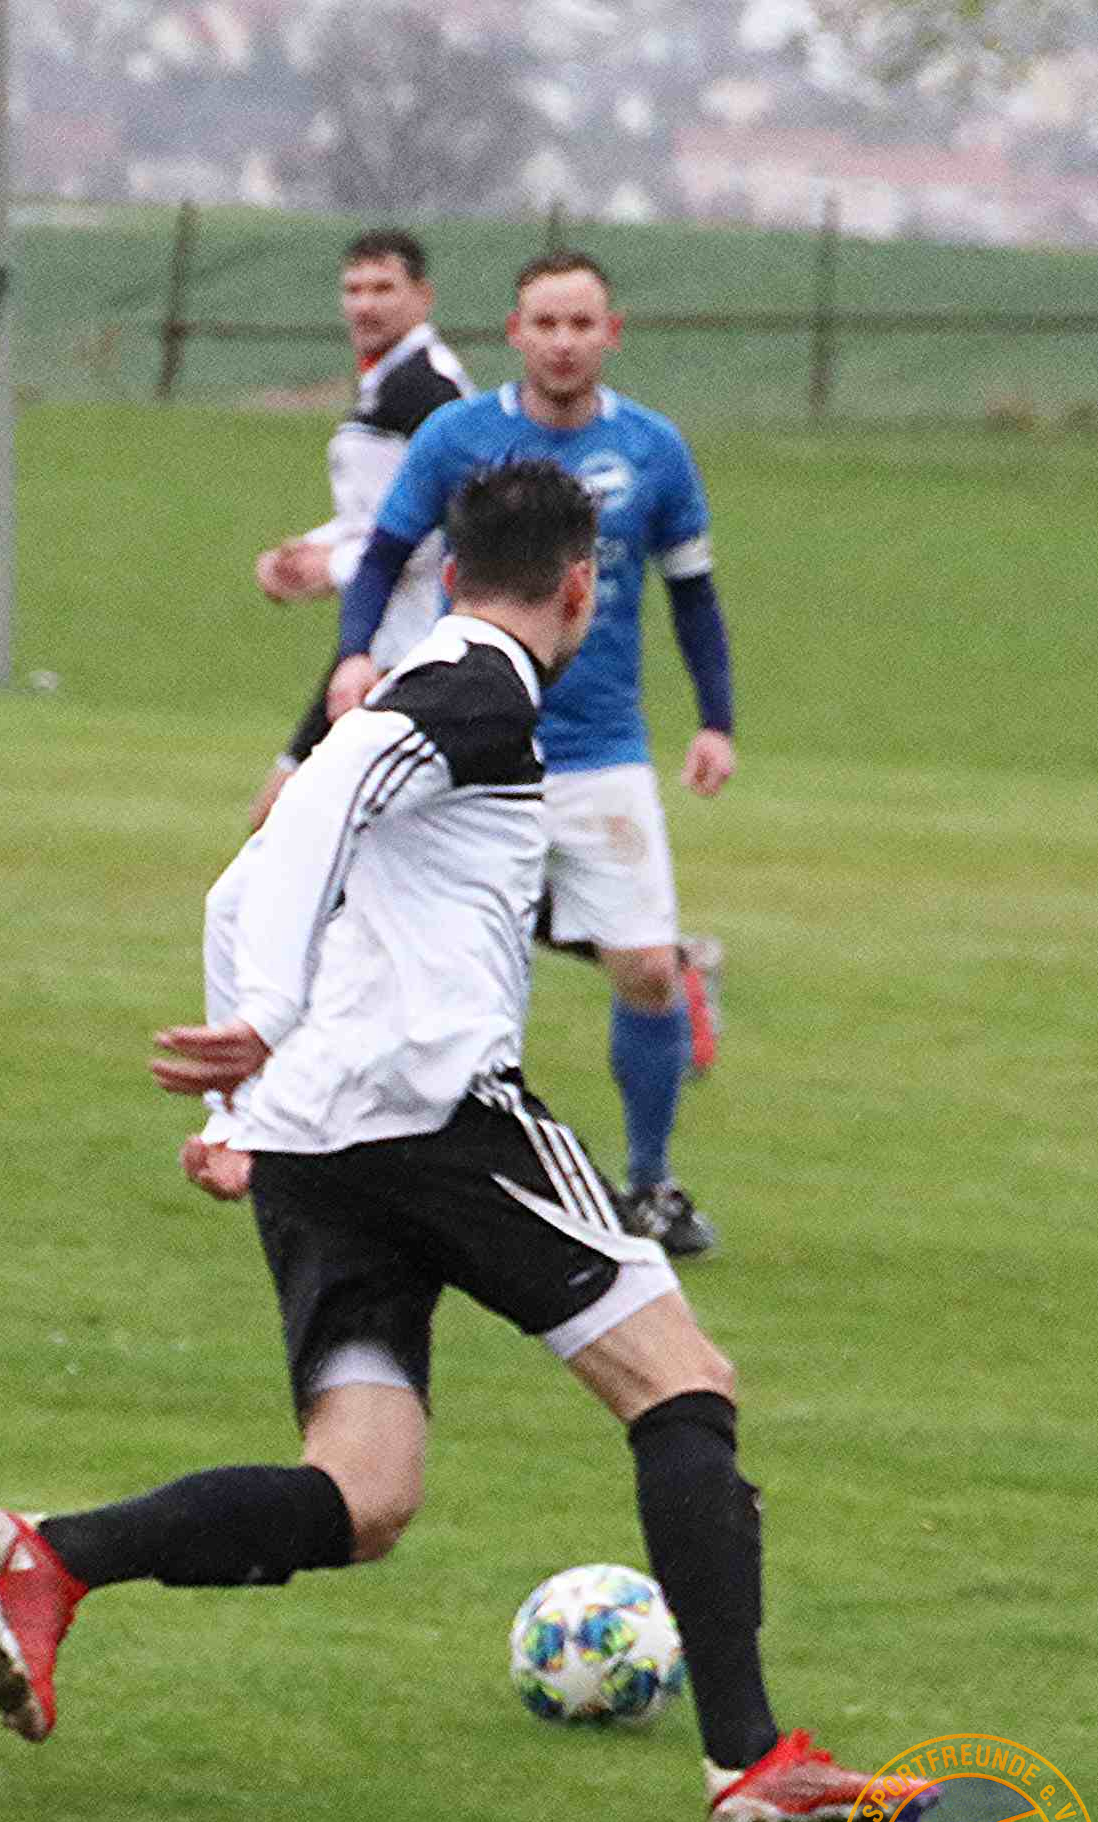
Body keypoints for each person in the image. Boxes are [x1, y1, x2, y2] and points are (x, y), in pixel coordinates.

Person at [0, 462, 936, 1822]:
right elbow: (314, 809)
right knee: (682, 1384)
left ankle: (54, 1560)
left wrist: (243, 1106)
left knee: (364, 1496)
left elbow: (246, 875)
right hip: (439, 1122)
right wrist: (266, 1022)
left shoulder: (430, 681)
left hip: (318, 1147)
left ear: (452, 569)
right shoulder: (477, 687)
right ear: (584, 586)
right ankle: (751, 1758)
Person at [319, 253, 731, 1254]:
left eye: (582, 323)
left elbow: (693, 593)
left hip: (600, 750)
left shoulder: (653, 449)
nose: (563, 341)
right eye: (545, 323)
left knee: (645, 970)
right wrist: (354, 655)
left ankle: (650, 1185)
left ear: (612, 333)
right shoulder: (458, 437)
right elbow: (382, 555)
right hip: (473, 737)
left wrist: (715, 720)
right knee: (436, 964)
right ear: (514, 332)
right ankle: (386, 1160)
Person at [246, 229, 471, 833]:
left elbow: (437, 532)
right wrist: (309, 551)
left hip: (414, 642)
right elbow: (376, 515)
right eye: (353, 289)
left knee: (294, 826)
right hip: (375, 634)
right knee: (291, 826)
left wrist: (329, 568)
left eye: (383, 289)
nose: (364, 305)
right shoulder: (389, 378)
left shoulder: (429, 390)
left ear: (422, 296)